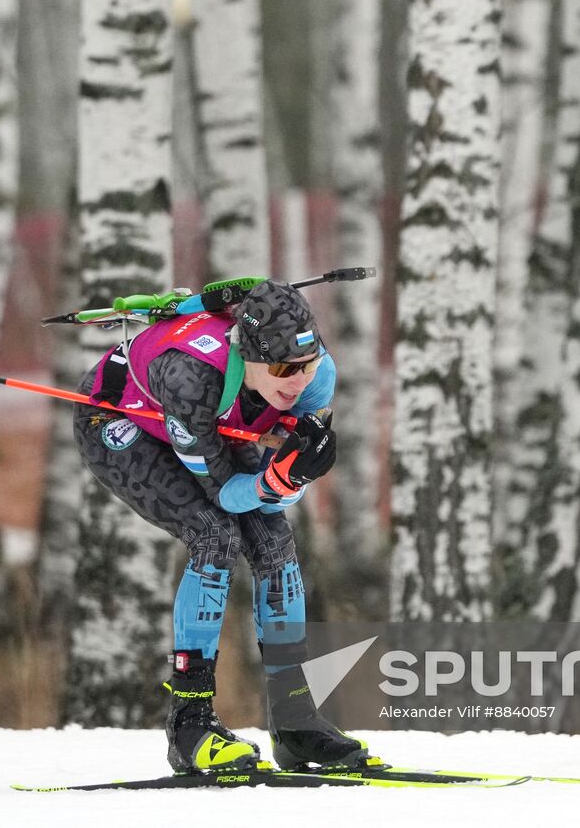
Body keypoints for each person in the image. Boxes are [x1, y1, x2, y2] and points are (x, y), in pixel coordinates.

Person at [73, 279, 368, 774]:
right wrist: (275, 478)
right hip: (122, 423)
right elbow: (226, 493)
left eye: (308, 363)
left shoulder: (317, 376)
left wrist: (292, 475)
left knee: (275, 542)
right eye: (282, 369)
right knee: (215, 535)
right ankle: (189, 726)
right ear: (247, 353)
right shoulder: (190, 377)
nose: (298, 381)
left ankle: (295, 722)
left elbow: (280, 489)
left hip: (215, 423)